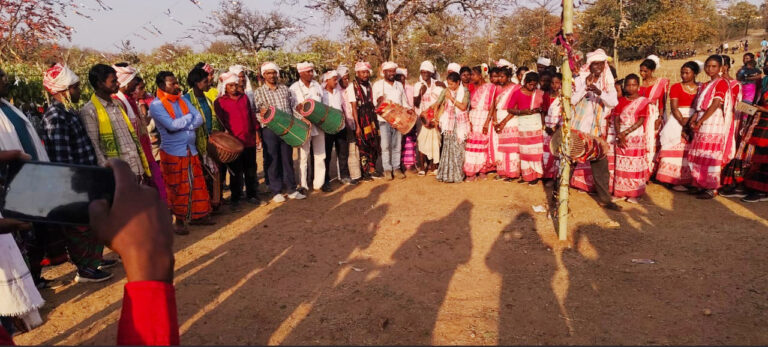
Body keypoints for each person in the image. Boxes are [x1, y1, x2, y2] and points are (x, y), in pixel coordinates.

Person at [40, 63, 115, 283]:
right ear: (64, 90)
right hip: (73, 181)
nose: (79, 90)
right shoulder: (55, 116)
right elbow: (61, 156)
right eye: (76, 87)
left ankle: (94, 260)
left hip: (85, 176)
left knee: (91, 223)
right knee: (79, 228)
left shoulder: (67, 111)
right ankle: (86, 270)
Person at [149, 71, 213, 235]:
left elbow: (198, 118)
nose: (177, 86)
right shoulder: (156, 105)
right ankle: (178, 220)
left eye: (177, 82)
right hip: (173, 152)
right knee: (177, 187)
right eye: (173, 83)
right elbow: (171, 125)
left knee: (196, 183)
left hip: (189, 150)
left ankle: (199, 215)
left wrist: (185, 124)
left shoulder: (182, 99)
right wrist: (188, 121)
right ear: (162, 86)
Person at [570, 49, 621, 211]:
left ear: (604, 65)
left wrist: (600, 93)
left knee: (600, 165)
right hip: (577, 128)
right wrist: (585, 87)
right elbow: (571, 99)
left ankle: (605, 200)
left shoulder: (606, 82)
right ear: (590, 66)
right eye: (595, 64)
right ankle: (559, 197)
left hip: (596, 131)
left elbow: (613, 102)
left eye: (601, 64)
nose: (598, 67)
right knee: (568, 162)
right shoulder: (580, 80)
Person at [81, 64, 150, 180]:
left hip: (135, 168)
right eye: (113, 81)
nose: (118, 84)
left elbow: (129, 137)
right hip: (117, 174)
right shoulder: (90, 111)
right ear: (100, 84)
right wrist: (109, 175)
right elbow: (95, 147)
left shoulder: (117, 104)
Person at [112, 63, 167, 202]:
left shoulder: (130, 101)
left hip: (145, 154)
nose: (136, 83)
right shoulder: (118, 103)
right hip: (135, 157)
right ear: (125, 83)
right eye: (133, 81)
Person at [253, 62, 306, 203]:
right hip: (270, 130)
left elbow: (292, 108)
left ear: (277, 73)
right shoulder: (259, 92)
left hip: (287, 128)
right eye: (268, 73)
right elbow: (257, 113)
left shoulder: (285, 89)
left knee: (287, 159)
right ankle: (276, 191)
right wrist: (263, 117)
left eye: (274, 72)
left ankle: (291, 189)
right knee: (273, 159)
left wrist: (301, 120)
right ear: (264, 75)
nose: (271, 75)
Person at [214, 70, 265, 208]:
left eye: (235, 85)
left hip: (248, 139)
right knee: (235, 171)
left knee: (250, 168)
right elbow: (221, 122)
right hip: (234, 142)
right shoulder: (219, 102)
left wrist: (257, 134)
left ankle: (252, 194)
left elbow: (251, 117)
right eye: (230, 85)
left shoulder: (244, 98)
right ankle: (236, 198)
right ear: (225, 86)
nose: (234, 88)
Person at [687, 55, 733, 199]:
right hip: (703, 117)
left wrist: (701, 121)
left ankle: (711, 187)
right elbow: (699, 105)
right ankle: (700, 183)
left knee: (710, 153)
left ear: (720, 68)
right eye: (708, 66)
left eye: (714, 66)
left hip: (713, 121)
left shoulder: (721, 83)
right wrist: (695, 118)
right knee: (700, 152)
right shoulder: (705, 84)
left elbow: (715, 104)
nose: (710, 69)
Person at [184, 67, 225, 211]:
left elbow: (213, 118)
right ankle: (203, 207)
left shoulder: (206, 99)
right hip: (195, 144)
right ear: (196, 83)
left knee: (213, 172)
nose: (209, 84)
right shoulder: (186, 100)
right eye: (205, 81)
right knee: (201, 175)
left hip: (209, 141)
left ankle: (214, 202)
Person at [657, 61, 700, 190]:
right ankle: (671, 178)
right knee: (674, 146)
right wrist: (684, 125)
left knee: (689, 149)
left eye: (687, 73)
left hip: (695, 118)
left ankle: (688, 180)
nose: (684, 75)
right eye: (682, 72)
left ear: (695, 73)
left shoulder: (701, 87)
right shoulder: (676, 87)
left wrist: (692, 121)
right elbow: (674, 108)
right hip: (678, 119)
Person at [611, 74, 650, 203]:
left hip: (635, 135)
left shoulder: (643, 101)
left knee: (634, 165)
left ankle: (634, 193)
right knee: (621, 164)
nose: (631, 88)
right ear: (624, 86)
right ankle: (620, 192)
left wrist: (625, 133)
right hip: (621, 133)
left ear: (638, 86)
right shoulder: (621, 101)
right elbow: (616, 119)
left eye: (634, 85)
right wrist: (619, 134)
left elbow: (641, 120)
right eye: (628, 85)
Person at [290, 61, 327, 194]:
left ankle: (319, 183)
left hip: (319, 125)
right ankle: (303, 185)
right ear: (300, 73)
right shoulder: (294, 88)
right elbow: (292, 109)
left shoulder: (317, 85)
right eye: (308, 71)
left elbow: (322, 103)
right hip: (303, 125)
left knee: (320, 154)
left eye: (312, 71)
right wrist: (302, 117)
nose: (311, 74)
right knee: (304, 156)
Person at [506, 71, 545, 184]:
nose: (532, 87)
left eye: (534, 85)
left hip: (536, 123)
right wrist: (522, 111)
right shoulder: (517, 93)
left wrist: (538, 110)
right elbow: (510, 108)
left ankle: (537, 174)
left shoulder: (539, 93)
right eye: (530, 84)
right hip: (523, 123)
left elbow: (544, 108)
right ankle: (527, 175)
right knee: (525, 150)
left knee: (536, 150)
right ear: (525, 82)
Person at [372, 61, 407, 180]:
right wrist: (378, 101)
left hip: (398, 119)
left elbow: (404, 102)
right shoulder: (377, 85)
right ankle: (387, 169)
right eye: (389, 71)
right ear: (384, 72)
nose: (392, 73)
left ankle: (396, 168)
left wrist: (409, 112)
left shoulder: (399, 85)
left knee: (397, 145)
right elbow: (374, 104)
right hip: (384, 119)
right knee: (385, 145)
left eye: (393, 71)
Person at [346, 61, 380, 181]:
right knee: (363, 145)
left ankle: (372, 169)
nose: (365, 74)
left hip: (371, 117)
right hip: (361, 118)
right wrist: (358, 126)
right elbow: (354, 107)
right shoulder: (352, 87)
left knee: (374, 143)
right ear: (357, 73)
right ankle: (365, 173)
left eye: (366, 72)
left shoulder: (370, 84)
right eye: (362, 72)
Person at [434, 72, 470, 183]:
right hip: (448, 124)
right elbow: (437, 104)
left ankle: (458, 175)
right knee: (448, 148)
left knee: (459, 149)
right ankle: (446, 175)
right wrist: (436, 118)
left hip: (460, 124)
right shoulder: (445, 91)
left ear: (458, 82)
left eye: (452, 84)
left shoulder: (465, 91)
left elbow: (463, 107)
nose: (450, 86)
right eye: (448, 84)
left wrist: (452, 99)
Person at [464, 65, 497, 181]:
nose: (471, 77)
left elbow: (493, 105)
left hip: (484, 117)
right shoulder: (471, 87)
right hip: (473, 117)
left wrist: (487, 122)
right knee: (471, 144)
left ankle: (482, 170)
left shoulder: (490, 87)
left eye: (473, 74)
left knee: (483, 145)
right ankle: (471, 171)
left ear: (481, 75)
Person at [638, 55, 668, 177]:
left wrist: (660, 117)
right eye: (641, 70)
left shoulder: (661, 83)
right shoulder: (638, 83)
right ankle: (640, 168)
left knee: (651, 141)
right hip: (639, 114)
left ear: (652, 71)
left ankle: (650, 170)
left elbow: (662, 103)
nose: (642, 73)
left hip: (652, 115)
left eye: (645, 71)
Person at [321, 70, 352, 190]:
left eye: (336, 79)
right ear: (326, 80)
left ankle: (344, 176)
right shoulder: (322, 94)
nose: (336, 81)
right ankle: (325, 180)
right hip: (328, 128)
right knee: (327, 155)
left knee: (343, 152)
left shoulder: (338, 92)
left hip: (341, 126)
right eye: (334, 79)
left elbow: (342, 108)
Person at [413, 61, 444, 176]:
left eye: (427, 72)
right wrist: (421, 92)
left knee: (435, 141)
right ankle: (422, 167)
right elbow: (415, 104)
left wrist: (444, 86)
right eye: (423, 72)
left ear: (431, 73)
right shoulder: (418, 85)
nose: (425, 74)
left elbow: (443, 99)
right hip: (422, 117)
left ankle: (434, 165)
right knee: (422, 142)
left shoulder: (438, 84)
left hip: (436, 117)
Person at [491, 66, 521, 181]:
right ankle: (502, 171)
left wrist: (504, 122)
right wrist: (495, 121)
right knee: (501, 147)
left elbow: (516, 106)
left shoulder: (516, 88)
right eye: (498, 76)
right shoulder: (497, 88)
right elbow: (494, 106)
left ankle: (512, 173)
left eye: (502, 76)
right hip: (499, 118)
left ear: (508, 77)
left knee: (512, 147)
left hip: (511, 119)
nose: (499, 79)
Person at [336, 65, 362, 184]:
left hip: (351, 122)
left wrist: (356, 124)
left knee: (353, 148)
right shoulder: (336, 90)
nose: (347, 81)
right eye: (344, 79)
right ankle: (343, 175)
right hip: (341, 124)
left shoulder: (350, 88)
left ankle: (355, 173)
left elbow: (353, 106)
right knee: (343, 151)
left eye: (348, 78)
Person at [395, 67, 418, 172]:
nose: (400, 78)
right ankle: (399, 164)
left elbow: (414, 104)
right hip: (397, 119)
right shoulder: (394, 88)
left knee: (409, 141)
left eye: (402, 76)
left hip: (409, 119)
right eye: (397, 76)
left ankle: (410, 163)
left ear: (405, 77)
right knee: (398, 142)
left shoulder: (411, 88)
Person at [542, 73, 563, 181]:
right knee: (546, 152)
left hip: (558, 127)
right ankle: (547, 175)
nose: (554, 85)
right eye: (552, 83)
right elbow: (543, 111)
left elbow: (565, 115)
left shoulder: (564, 97)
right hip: (547, 127)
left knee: (556, 151)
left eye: (557, 83)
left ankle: (556, 176)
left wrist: (556, 128)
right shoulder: (546, 95)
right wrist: (544, 126)